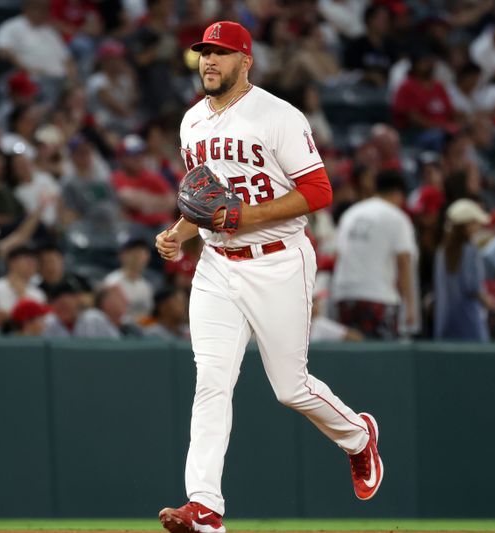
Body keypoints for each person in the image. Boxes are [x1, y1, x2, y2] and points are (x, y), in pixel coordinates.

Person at [155, 22, 383, 533]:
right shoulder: (192, 122)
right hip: (216, 266)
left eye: (220, 53)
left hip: (278, 261)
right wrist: (178, 233)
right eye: (204, 54)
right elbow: (206, 201)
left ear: (246, 61)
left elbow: (319, 191)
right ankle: (205, 507)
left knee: (290, 387)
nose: (209, 61)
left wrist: (245, 217)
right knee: (211, 383)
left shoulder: (278, 115)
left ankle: (358, 437)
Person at [333, 170, 417, 340]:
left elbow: (338, 254)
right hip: (377, 296)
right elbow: (404, 262)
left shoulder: (351, 213)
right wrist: (410, 305)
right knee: (380, 360)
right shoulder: (397, 217)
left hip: (344, 294)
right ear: (398, 193)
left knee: (353, 359)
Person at [433, 199, 495, 341]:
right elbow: (472, 286)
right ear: (467, 225)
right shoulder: (470, 250)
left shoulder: (441, 251)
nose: (478, 227)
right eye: (475, 223)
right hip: (470, 323)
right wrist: (487, 300)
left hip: (445, 322)